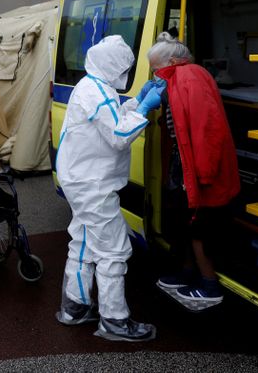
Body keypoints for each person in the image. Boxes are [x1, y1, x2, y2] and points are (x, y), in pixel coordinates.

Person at [55, 35, 163, 342]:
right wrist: (144, 107)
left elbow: (110, 117)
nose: (125, 73)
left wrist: (134, 102)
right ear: (113, 66)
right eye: (124, 67)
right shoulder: (98, 92)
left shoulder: (92, 86)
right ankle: (115, 321)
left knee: (84, 244)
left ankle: (74, 306)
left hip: (80, 180)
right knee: (114, 251)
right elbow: (118, 134)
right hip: (93, 185)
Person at [147, 34, 240, 311]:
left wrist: (204, 174)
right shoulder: (178, 79)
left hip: (198, 168)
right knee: (181, 222)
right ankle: (188, 273)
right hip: (184, 166)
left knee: (198, 225)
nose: (155, 75)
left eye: (157, 69)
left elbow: (206, 129)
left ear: (174, 62)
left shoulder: (190, 77)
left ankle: (209, 284)